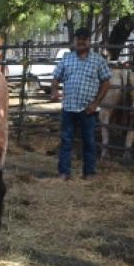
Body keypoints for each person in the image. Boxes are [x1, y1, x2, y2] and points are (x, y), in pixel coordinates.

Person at [51, 27, 112, 180]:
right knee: (66, 140)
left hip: (88, 109)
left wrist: (96, 102)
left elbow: (106, 81)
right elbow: (56, 77)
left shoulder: (98, 60)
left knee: (89, 141)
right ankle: (64, 172)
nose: (81, 41)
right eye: (78, 38)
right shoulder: (66, 58)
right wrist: (54, 90)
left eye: (84, 38)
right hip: (69, 107)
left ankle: (89, 173)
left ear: (89, 42)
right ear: (74, 41)